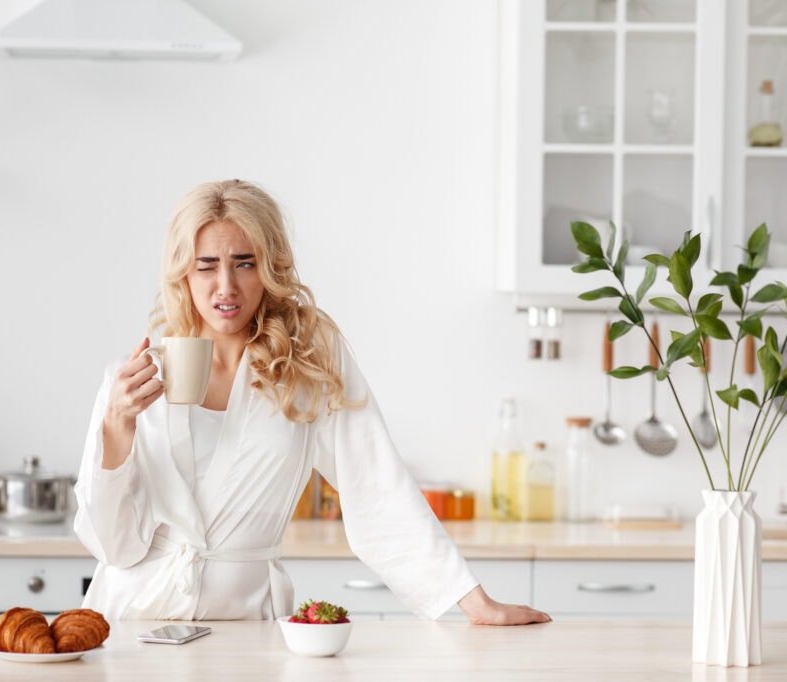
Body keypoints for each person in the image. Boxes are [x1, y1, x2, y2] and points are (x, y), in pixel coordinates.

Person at [73, 179, 551, 625]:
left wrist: (471, 601)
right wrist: (116, 428)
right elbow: (112, 546)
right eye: (206, 265)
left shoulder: (305, 364)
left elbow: (376, 483)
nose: (226, 287)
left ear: (270, 266)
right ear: (182, 272)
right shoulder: (134, 381)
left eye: (245, 262)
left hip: (247, 632)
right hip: (134, 623)